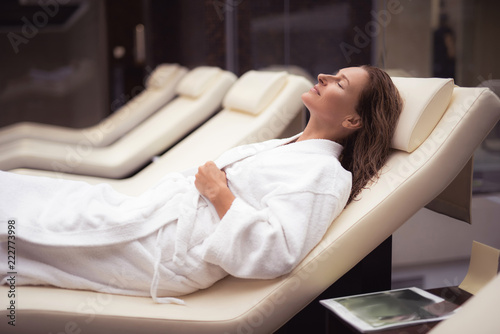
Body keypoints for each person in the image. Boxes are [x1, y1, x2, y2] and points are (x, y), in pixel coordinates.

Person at [0, 65, 402, 304]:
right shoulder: (293, 146)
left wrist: (218, 193)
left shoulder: (324, 176)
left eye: (340, 84)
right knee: (45, 197)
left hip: (166, 251)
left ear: (353, 121)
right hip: (156, 218)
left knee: (37, 226)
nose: (324, 76)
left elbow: (277, 252)